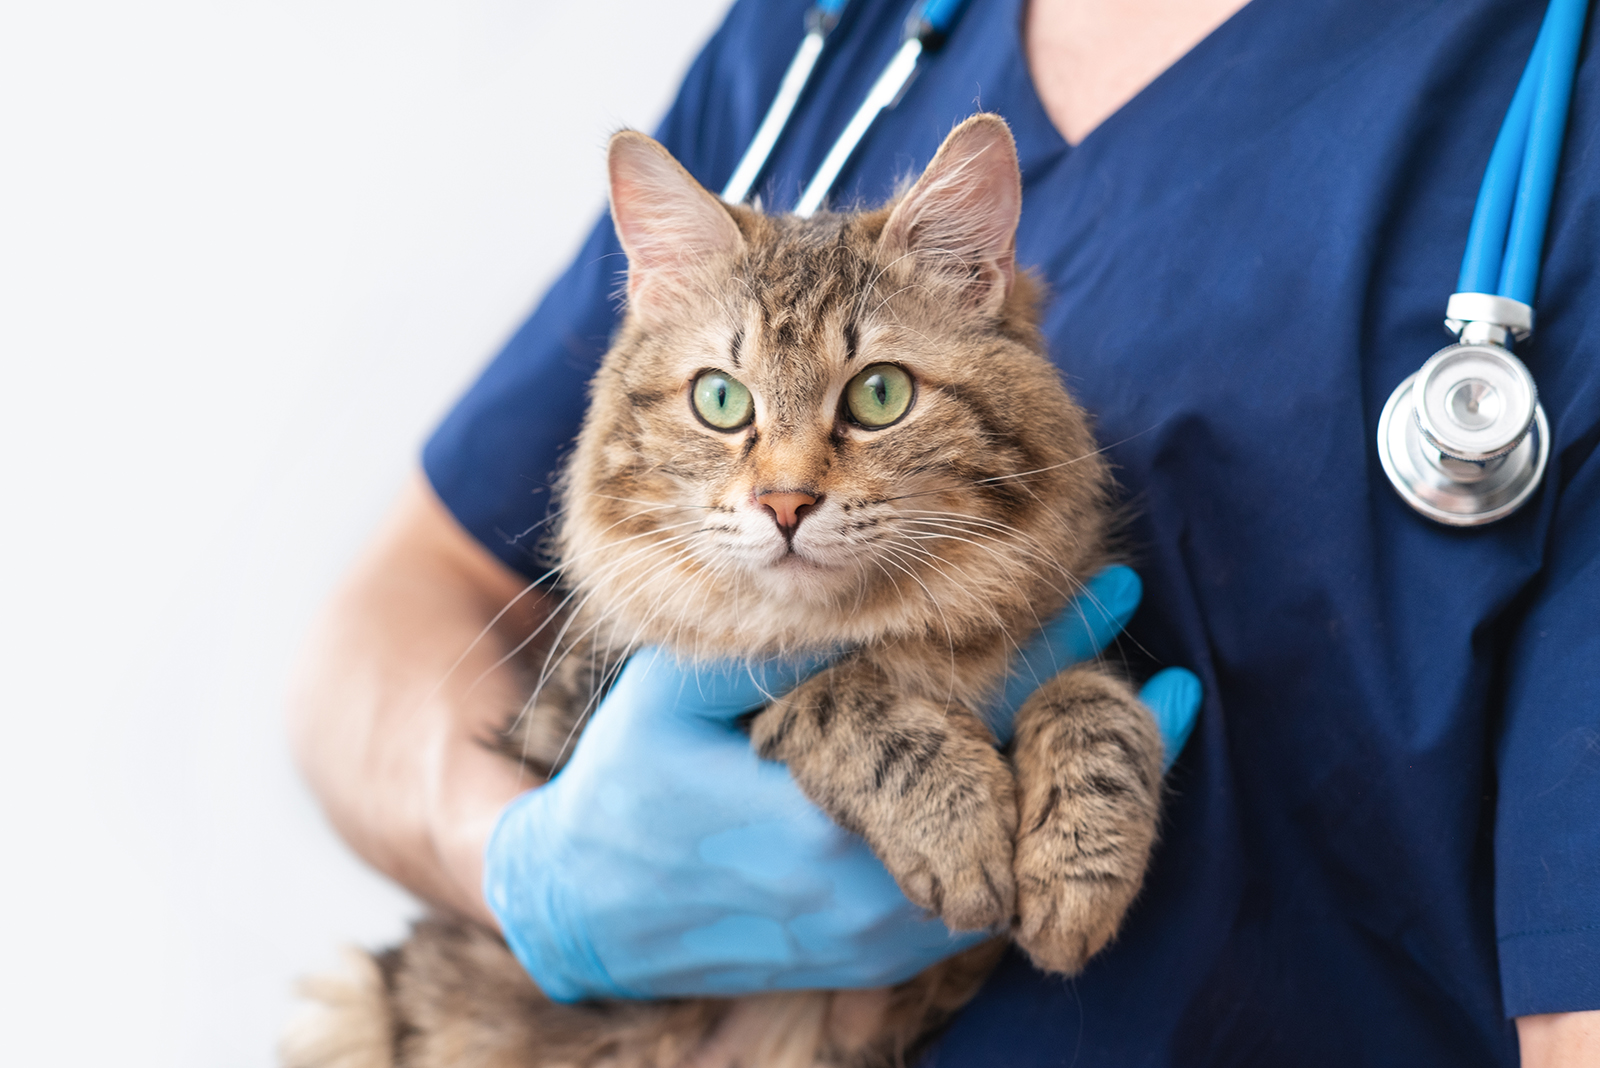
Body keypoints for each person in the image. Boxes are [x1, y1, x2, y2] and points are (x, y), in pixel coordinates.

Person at [288, 0, 1600, 1063]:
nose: (788, 481)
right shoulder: (815, 38)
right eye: (731, 404)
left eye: (871, 398)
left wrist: (1085, 731)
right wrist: (524, 866)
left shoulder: (1559, 111)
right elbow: (409, 599)